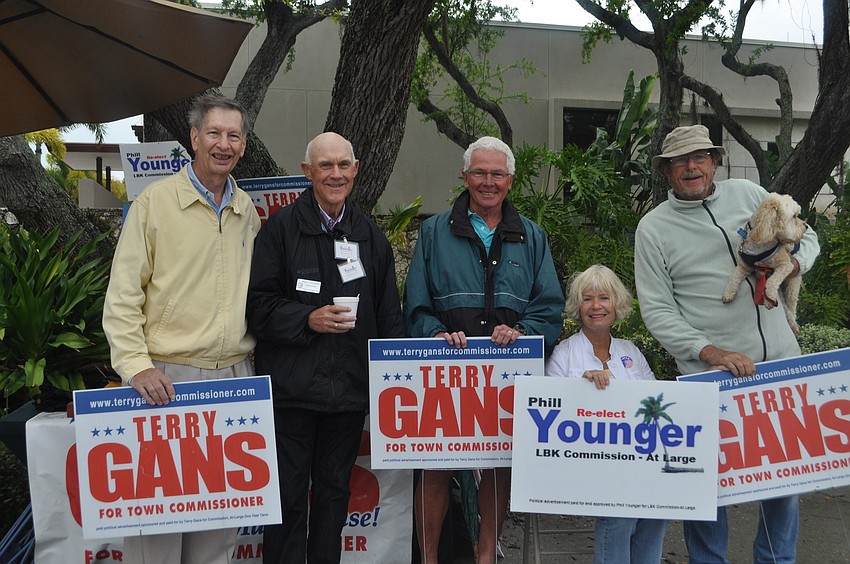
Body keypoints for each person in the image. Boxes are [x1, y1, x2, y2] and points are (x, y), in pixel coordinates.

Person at [634, 124, 820, 564]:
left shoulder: (748, 193)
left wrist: (792, 266)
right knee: (707, 486)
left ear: (715, 161)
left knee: (783, 480)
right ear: (666, 171)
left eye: (699, 156)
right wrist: (711, 352)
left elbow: (806, 235)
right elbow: (657, 310)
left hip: (779, 369)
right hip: (710, 378)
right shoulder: (653, 228)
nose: (691, 166)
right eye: (679, 160)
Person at [102, 95, 260, 563]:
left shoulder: (246, 209)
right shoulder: (154, 204)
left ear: (244, 146)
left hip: (234, 380)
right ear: (194, 138)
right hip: (167, 382)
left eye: (234, 136)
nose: (223, 144)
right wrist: (136, 367)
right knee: (157, 533)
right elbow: (123, 295)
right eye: (214, 133)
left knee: (220, 531)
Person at [404, 136, 564, 564]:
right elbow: (415, 304)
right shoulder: (434, 230)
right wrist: (434, 334)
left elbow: (549, 308)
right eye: (479, 172)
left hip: (505, 376)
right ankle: (430, 558)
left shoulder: (532, 236)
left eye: (497, 174)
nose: (488, 182)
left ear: (510, 181)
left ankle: (486, 558)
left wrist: (523, 330)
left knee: (497, 469)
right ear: (465, 177)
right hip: (443, 371)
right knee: (434, 467)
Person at [246, 132, 404, 564]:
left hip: (349, 395)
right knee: (288, 499)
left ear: (355, 170)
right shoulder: (278, 231)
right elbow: (257, 308)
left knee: (335, 498)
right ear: (307, 172)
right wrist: (307, 319)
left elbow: (390, 320)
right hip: (293, 395)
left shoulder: (369, 237)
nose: (335, 174)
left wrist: (385, 387)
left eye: (343, 165)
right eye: (325, 166)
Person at [545, 264, 668, 564]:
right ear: (578, 306)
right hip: (584, 464)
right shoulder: (564, 354)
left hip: (636, 459)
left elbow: (655, 404)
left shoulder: (631, 352)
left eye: (604, 298)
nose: (596, 306)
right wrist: (581, 389)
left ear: (617, 305)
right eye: (587, 299)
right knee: (622, 511)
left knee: (660, 508)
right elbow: (549, 413)